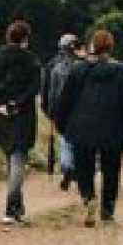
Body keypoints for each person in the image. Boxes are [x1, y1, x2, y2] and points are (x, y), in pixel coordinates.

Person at [51, 29, 123, 226]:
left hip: (82, 126)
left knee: (84, 168)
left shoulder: (78, 69)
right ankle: (107, 211)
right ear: (111, 47)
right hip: (113, 128)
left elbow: (65, 101)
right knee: (111, 171)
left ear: (92, 46)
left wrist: (62, 124)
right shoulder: (120, 72)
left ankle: (89, 198)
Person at [0, 20, 43, 225]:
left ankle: (16, 205)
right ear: (25, 38)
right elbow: (35, 87)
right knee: (18, 157)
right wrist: (17, 102)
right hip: (23, 113)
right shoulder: (31, 60)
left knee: (11, 156)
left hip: (0, 114)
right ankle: (11, 206)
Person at [44, 34, 81, 190]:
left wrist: (49, 110)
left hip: (60, 109)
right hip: (79, 108)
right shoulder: (81, 65)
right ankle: (74, 167)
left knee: (65, 140)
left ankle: (66, 166)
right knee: (77, 141)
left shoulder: (54, 66)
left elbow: (49, 91)